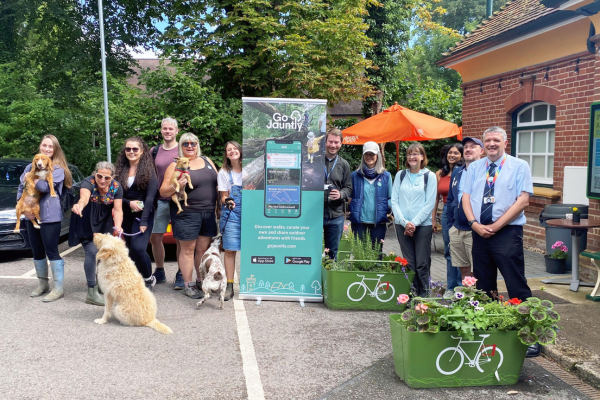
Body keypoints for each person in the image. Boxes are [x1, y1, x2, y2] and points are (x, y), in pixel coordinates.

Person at [460, 126, 538, 357]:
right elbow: (465, 197)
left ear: (504, 143)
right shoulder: (474, 167)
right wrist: (474, 223)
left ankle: (529, 336)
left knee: (516, 283)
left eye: (496, 140)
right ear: (483, 146)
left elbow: (523, 201)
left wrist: (496, 225)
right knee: (483, 284)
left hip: (507, 232)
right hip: (479, 231)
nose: (492, 144)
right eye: (488, 140)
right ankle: (488, 329)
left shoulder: (519, 166)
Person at [159, 133, 219, 300]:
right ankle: (188, 284)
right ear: (181, 146)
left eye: (193, 143)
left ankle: (200, 280)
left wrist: (219, 206)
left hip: (208, 213)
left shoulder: (207, 161)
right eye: (186, 144)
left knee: (202, 250)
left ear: (197, 144)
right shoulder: (176, 165)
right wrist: (176, 187)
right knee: (188, 250)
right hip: (187, 213)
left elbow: (218, 184)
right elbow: (163, 191)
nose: (190, 146)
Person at [17, 135, 73, 302]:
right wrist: (24, 210)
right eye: (44, 146)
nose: (47, 149)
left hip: (50, 216)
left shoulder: (58, 170)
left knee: (51, 251)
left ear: (55, 150)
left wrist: (32, 177)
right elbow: (21, 189)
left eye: (51, 147)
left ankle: (58, 288)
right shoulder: (30, 166)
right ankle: (43, 284)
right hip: (31, 214)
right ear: (40, 147)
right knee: (37, 250)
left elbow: (43, 187)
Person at [70, 161, 123, 306]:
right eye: (99, 176)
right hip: (85, 219)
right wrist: (79, 205)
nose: (102, 180)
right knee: (92, 252)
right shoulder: (89, 182)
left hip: (103, 222)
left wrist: (118, 226)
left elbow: (118, 209)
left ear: (112, 177)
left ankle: (101, 285)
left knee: (103, 254)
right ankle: (91, 292)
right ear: (95, 174)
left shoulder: (117, 187)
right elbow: (84, 198)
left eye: (107, 178)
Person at [391, 143, 436, 297]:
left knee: (422, 263)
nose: (412, 157)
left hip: (422, 226)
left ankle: (424, 296)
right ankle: (412, 294)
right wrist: (404, 222)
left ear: (422, 157)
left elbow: (430, 203)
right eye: (409, 154)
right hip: (401, 225)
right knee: (409, 262)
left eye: (416, 153)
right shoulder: (400, 175)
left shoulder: (429, 176)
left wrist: (414, 223)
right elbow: (394, 200)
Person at [115, 137, 158, 289]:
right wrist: (128, 203)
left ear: (142, 151)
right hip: (125, 213)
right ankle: (136, 279)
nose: (131, 152)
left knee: (139, 248)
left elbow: (151, 197)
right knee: (129, 250)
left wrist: (145, 221)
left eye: (135, 149)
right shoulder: (120, 170)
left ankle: (148, 278)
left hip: (143, 214)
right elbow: (117, 195)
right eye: (128, 149)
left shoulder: (149, 170)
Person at [149, 117, 184, 289]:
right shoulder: (154, 151)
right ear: (161, 131)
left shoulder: (183, 150)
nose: (168, 131)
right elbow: (147, 173)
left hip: (179, 200)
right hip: (160, 200)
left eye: (171, 129)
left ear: (177, 131)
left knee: (179, 239)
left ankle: (180, 273)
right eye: (165, 129)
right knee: (155, 237)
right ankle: (160, 270)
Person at [446, 137, 484, 281]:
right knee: (463, 268)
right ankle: (467, 299)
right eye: (466, 147)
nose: (468, 149)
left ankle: (478, 300)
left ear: (481, 151)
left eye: (473, 146)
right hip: (457, 228)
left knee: (478, 270)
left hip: (474, 229)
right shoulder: (457, 172)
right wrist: (451, 225)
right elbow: (451, 199)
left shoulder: (485, 172)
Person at [433, 143, 464, 294]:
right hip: (446, 212)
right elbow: (435, 199)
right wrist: (433, 219)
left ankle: (462, 286)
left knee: (461, 249)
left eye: (456, 153)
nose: (452, 155)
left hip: (462, 212)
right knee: (449, 250)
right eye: (450, 153)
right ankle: (451, 287)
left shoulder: (465, 172)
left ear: (462, 156)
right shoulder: (440, 174)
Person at [349, 141, 392, 247]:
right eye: (367, 154)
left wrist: (387, 210)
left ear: (378, 156)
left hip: (378, 222)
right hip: (359, 221)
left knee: (376, 253)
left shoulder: (386, 176)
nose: (369, 157)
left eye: (372, 154)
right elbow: (350, 197)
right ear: (363, 156)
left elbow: (390, 197)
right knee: (359, 253)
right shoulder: (354, 176)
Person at [218, 141, 243, 301]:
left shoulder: (251, 170)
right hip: (233, 214)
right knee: (229, 250)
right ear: (226, 155)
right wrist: (227, 201)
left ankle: (251, 284)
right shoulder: (223, 173)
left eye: (235, 148)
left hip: (252, 214)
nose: (232, 151)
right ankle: (229, 285)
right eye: (229, 150)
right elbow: (223, 195)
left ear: (240, 151)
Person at [323, 128, 352, 260]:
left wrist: (341, 194)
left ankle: (329, 279)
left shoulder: (344, 164)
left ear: (341, 144)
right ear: (325, 141)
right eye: (330, 141)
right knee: (311, 251)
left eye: (336, 142)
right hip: (314, 215)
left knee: (332, 253)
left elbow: (349, 188)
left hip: (335, 216)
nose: (333, 145)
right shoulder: (315, 161)